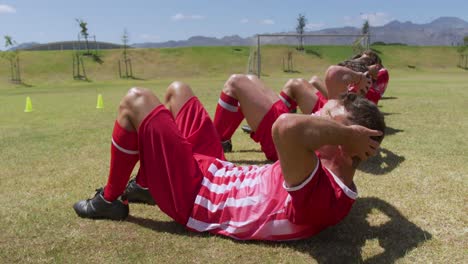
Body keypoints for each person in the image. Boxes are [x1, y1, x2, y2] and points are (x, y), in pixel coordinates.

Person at [73, 81, 385, 241]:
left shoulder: (327, 197)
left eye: (325, 117)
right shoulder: (320, 167)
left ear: (349, 144)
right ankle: (146, 185)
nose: (315, 116)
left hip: (196, 196)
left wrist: (347, 134)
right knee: (178, 90)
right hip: (216, 171)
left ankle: (109, 201)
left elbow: (286, 127)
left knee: (136, 100)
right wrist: (343, 129)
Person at [214, 64, 373, 160]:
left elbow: (334, 73)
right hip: (291, 124)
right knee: (250, 78)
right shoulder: (343, 111)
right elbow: (327, 77)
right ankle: (225, 139)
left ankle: (214, 143)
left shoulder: (344, 116)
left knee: (235, 82)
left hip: (285, 142)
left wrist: (359, 77)